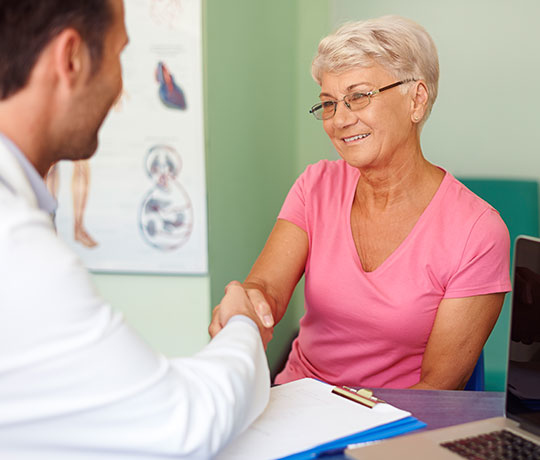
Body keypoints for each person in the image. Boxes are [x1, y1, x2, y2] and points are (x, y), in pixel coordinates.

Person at [0, 0, 270, 458]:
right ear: (72, 58)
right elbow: (182, 424)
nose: (119, 83)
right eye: (119, 54)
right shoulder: (17, 248)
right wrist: (244, 324)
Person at [210, 15, 512, 390]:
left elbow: (438, 390)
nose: (340, 120)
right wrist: (246, 307)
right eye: (329, 103)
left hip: (392, 424)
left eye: (359, 96)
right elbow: (267, 290)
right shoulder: (316, 185)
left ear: (416, 99)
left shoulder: (476, 232)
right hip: (296, 401)